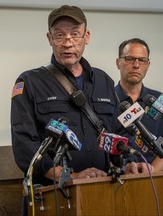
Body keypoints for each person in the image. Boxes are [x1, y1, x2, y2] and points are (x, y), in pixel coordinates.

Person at [11, 3, 119, 201]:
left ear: (86, 37)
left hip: (104, 188)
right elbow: (25, 146)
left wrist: (127, 162)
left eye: (75, 34)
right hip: (56, 194)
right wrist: (70, 176)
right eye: (59, 35)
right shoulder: (29, 82)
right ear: (49, 39)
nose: (68, 43)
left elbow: (117, 132)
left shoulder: (104, 81)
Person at [115, 38, 163, 172]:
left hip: (154, 179)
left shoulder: (159, 100)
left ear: (148, 64)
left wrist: (151, 172)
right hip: (116, 180)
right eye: (130, 59)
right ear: (118, 63)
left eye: (142, 60)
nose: (136, 65)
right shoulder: (106, 100)